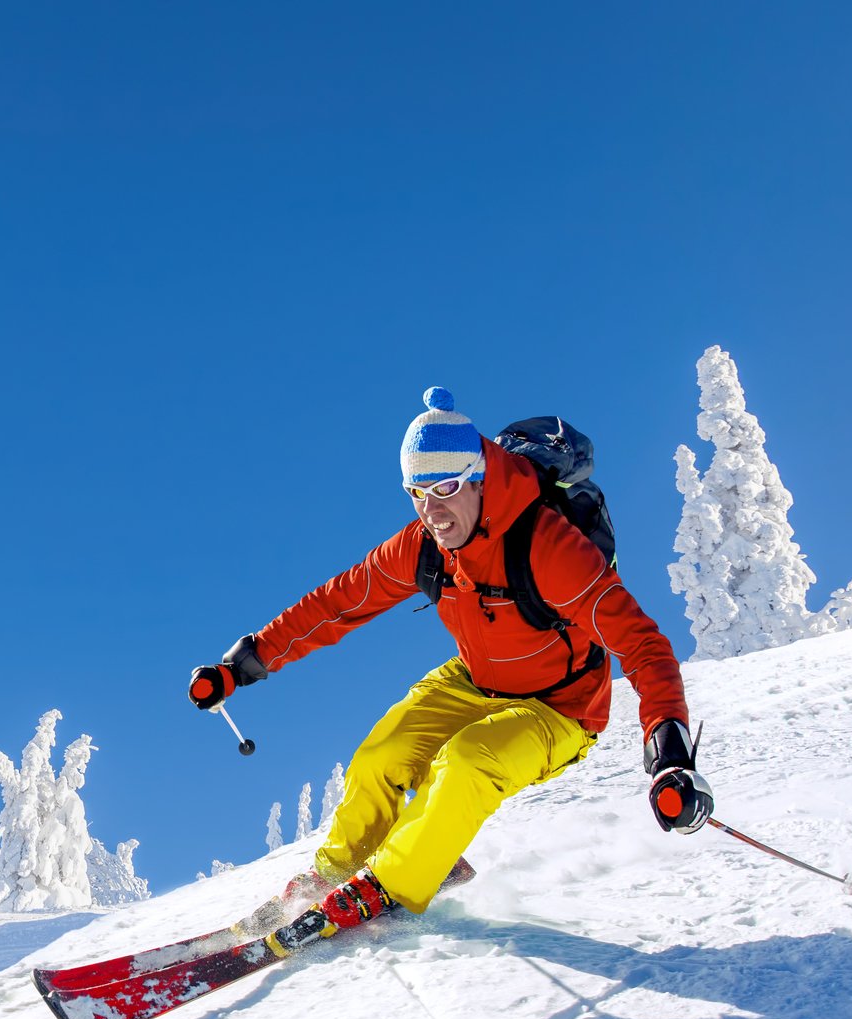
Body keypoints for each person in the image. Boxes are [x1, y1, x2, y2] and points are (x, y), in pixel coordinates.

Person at [188, 387, 712, 932]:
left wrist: (669, 751)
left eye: (446, 488)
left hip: (561, 706)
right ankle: (331, 875)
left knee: (468, 760)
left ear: (481, 476)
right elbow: (337, 603)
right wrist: (241, 666)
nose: (433, 512)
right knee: (380, 755)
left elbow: (643, 644)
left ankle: (389, 888)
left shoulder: (549, 547)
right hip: (475, 681)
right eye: (417, 493)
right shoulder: (423, 546)